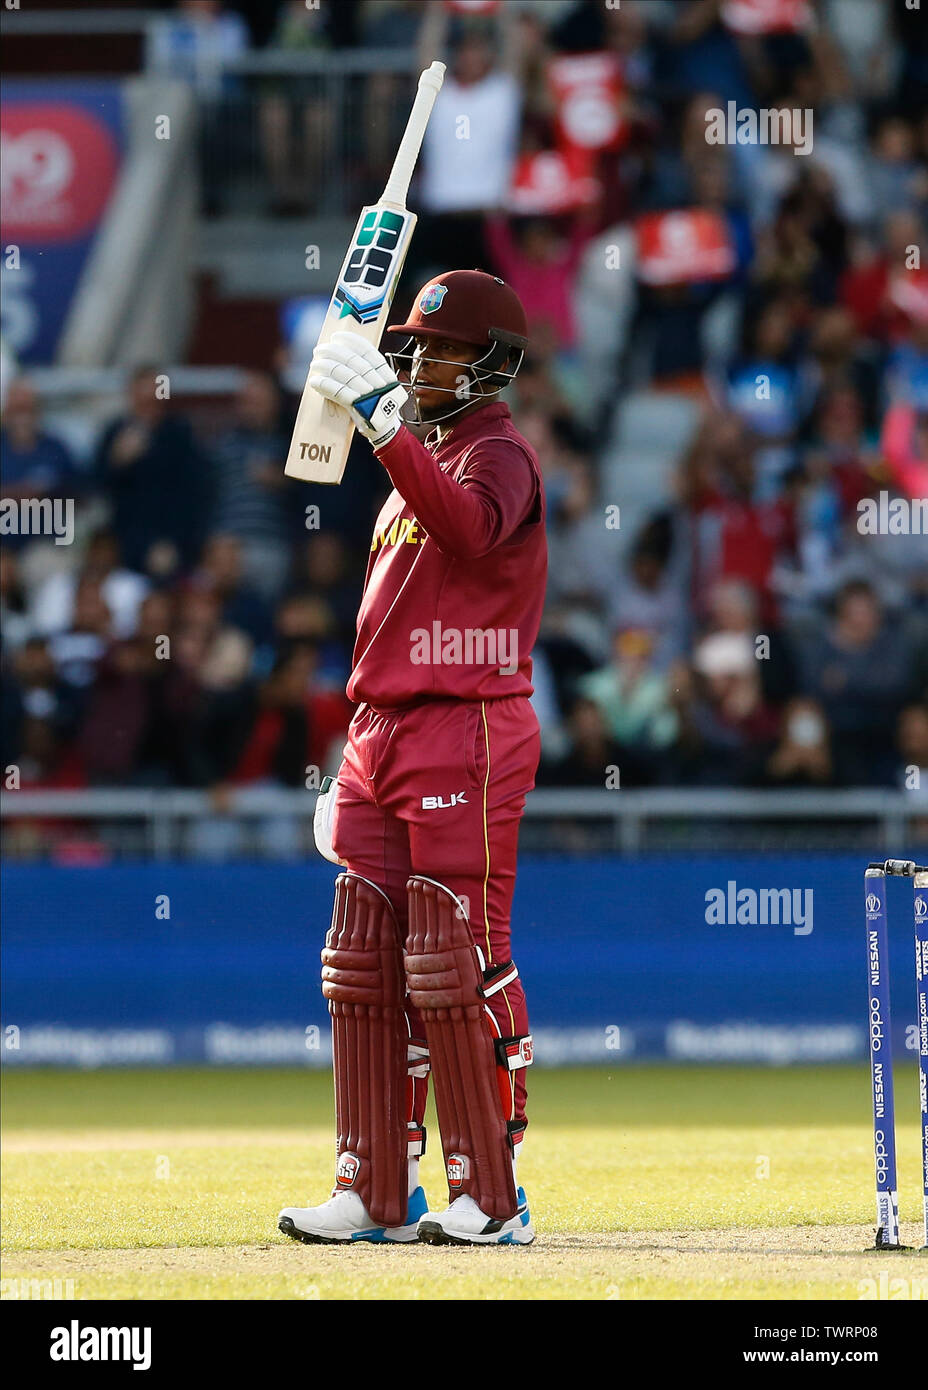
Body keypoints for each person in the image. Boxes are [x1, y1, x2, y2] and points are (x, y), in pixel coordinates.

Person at [278, 270, 544, 1247]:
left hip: (467, 722)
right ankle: (372, 1189)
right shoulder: (422, 455)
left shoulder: (501, 455)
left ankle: (491, 1195)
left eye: (437, 350)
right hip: (383, 727)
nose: (419, 362)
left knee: (447, 955)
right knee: (360, 961)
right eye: (413, 349)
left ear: (488, 362)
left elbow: (468, 532)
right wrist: (355, 742)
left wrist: (384, 423)